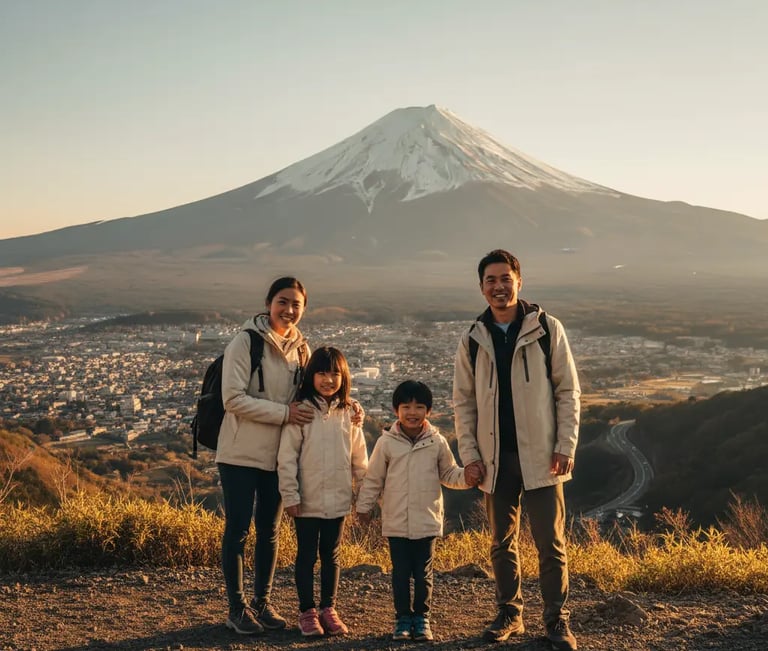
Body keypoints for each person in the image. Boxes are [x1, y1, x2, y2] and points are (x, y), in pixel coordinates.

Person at [452, 250, 581, 651]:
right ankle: (510, 613)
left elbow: (568, 391)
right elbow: (463, 402)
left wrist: (565, 444)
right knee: (501, 541)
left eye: (505, 278)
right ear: (481, 287)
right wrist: (470, 455)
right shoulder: (473, 337)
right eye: (491, 280)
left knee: (550, 542)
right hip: (495, 459)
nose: (499, 286)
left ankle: (556, 620)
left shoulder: (547, 328)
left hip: (542, 455)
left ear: (519, 282)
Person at [216, 276, 314, 635]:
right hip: (240, 453)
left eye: (296, 305)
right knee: (239, 529)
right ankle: (237, 607)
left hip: (278, 456)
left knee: (270, 531)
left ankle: (262, 602)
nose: (289, 310)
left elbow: (312, 397)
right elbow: (232, 399)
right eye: (282, 302)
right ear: (268, 303)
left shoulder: (302, 349)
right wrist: (284, 413)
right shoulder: (245, 343)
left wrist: (348, 409)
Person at [357, 380, 472, 643]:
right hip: (396, 520)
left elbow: (449, 474)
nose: (412, 412)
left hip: (427, 519)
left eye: (419, 406)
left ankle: (421, 618)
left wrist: (469, 477)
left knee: (423, 573)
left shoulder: (437, 442)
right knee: (399, 573)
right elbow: (374, 478)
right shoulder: (387, 443)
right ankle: (402, 619)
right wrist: (364, 506)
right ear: (396, 409)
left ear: (428, 411)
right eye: (406, 406)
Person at [277, 346, 368, 637]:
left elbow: (359, 458)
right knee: (305, 556)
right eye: (321, 373)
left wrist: (364, 496)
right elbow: (287, 458)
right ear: (310, 376)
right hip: (306, 499)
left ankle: (329, 608)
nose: (328, 380)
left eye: (335, 374)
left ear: (344, 377)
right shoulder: (301, 411)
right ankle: (307, 611)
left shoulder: (349, 412)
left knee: (332, 555)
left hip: (339, 498)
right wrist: (290, 496)